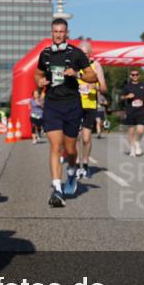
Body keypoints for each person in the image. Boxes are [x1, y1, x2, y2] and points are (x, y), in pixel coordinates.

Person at [35, 18, 98, 207]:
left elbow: (92, 76)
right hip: (52, 105)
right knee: (55, 146)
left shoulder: (76, 53)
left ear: (66, 33)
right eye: (55, 31)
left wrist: (77, 74)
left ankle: (71, 172)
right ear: (51, 33)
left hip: (72, 105)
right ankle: (57, 189)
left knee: (70, 149)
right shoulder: (45, 54)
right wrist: (40, 82)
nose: (58, 35)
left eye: (61, 32)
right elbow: (38, 74)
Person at [76, 41, 106, 179]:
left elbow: (104, 88)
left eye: (86, 53)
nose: (83, 56)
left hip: (89, 105)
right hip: (74, 105)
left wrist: (95, 87)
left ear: (90, 54)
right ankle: (76, 165)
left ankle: (86, 164)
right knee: (75, 137)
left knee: (86, 138)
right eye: (81, 53)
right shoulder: (73, 66)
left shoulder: (96, 66)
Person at [121, 69, 144, 156]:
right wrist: (127, 96)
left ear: (139, 75)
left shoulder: (143, 85)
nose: (135, 76)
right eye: (133, 75)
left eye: (136, 74)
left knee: (141, 130)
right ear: (130, 76)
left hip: (141, 111)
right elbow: (121, 97)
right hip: (130, 111)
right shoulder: (127, 86)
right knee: (131, 131)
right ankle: (132, 148)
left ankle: (137, 142)